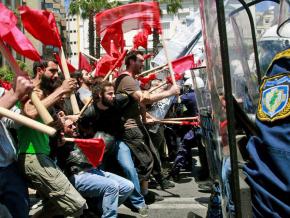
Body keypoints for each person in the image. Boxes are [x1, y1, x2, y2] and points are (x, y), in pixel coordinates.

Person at [17, 59, 87, 217]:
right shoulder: (34, 91)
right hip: (33, 155)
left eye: (57, 72)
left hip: (42, 154)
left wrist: (60, 127)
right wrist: (61, 90)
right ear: (40, 70)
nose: (56, 75)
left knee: (53, 208)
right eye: (52, 71)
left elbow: (45, 123)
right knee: (76, 205)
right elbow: (31, 112)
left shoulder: (44, 91)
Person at [79, 81, 149, 216]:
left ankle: (139, 203)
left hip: (117, 142)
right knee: (100, 175)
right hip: (100, 147)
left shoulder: (119, 101)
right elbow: (81, 127)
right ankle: (98, 206)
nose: (114, 96)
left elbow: (135, 98)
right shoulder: (90, 112)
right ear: (100, 95)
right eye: (110, 94)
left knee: (129, 168)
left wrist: (144, 94)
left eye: (114, 93)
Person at [115, 50, 179, 195]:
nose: (143, 64)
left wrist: (146, 118)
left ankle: (144, 190)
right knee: (145, 161)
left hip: (138, 125)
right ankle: (136, 194)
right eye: (140, 61)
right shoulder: (126, 79)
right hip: (130, 127)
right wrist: (170, 92)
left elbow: (140, 105)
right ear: (131, 62)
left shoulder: (133, 79)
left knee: (153, 156)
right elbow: (144, 99)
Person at [58, 116, 134, 218]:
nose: (74, 127)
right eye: (70, 126)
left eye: (74, 125)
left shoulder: (82, 136)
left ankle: (99, 210)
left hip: (94, 171)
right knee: (112, 186)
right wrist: (58, 140)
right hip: (78, 176)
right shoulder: (59, 143)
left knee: (128, 186)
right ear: (62, 130)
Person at [0, 76, 34, 218]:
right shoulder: (8, 95)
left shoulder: (0, 92)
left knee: (20, 212)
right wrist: (14, 94)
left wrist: (25, 103)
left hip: (9, 168)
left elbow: (16, 122)